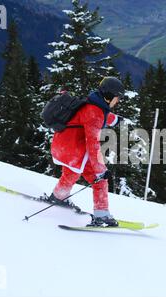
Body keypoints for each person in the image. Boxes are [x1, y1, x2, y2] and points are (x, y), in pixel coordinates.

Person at [44, 77, 125, 227]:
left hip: (62, 147)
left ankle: (58, 197)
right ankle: (102, 216)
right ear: (108, 97)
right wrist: (101, 170)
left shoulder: (91, 102)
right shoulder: (95, 112)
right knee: (100, 180)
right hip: (74, 152)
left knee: (70, 173)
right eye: (117, 98)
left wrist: (114, 120)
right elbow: (93, 144)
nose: (118, 101)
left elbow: (96, 116)